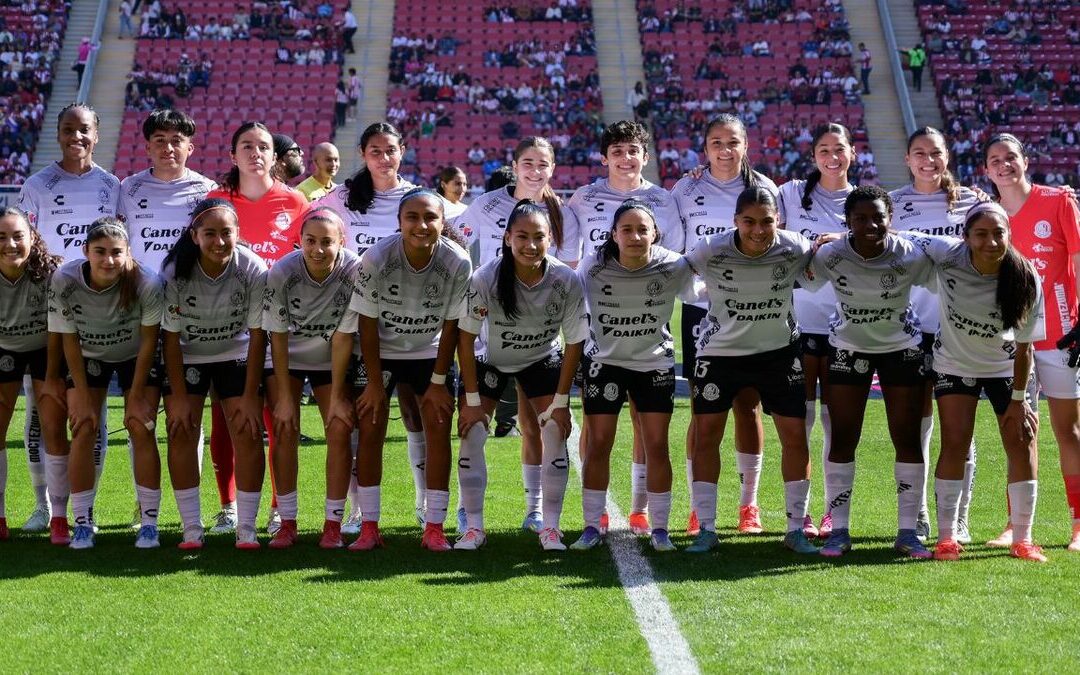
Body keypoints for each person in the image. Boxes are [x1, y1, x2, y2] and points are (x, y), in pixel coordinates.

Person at [330, 187, 471, 551]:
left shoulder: (457, 261)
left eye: (430, 218)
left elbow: (454, 325)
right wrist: (374, 383)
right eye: (412, 217)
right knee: (372, 427)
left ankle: (435, 527)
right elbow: (367, 322)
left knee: (438, 429)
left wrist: (440, 381)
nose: (421, 225)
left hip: (431, 352)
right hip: (381, 351)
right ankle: (370, 528)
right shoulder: (376, 258)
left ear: (443, 222)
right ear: (399, 222)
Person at [907, 202, 1047, 563]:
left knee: (1021, 443)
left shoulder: (1025, 275)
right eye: (981, 234)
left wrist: (1018, 399)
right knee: (954, 443)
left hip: (1007, 370)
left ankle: (1024, 538)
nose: (990, 241)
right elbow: (900, 237)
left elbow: (1025, 347)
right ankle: (947, 538)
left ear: (1009, 234)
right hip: (954, 365)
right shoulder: (947, 255)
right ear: (965, 236)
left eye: (998, 233)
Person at [455, 137, 582, 531]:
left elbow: (568, 268)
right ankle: (467, 512)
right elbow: (455, 238)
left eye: (543, 163)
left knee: (534, 425)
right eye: (528, 162)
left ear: (553, 167)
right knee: (474, 427)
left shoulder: (564, 211)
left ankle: (537, 509)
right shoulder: (487, 204)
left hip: (539, 338)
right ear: (515, 164)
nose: (535, 170)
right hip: (490, 336)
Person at [683, 187, 819, 554]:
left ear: (779, 221)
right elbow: (679, 272)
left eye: (767, 221)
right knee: (707, 435)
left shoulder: (794, 246)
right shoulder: (712, 247)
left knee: (795, 437)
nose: (759, 230)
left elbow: (821, 265)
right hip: (720, 353)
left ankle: (795, 530)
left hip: (778, 354)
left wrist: (835, 240)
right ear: (735, 222)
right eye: (749, 222)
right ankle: (707, 527)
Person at [567, 120, 683, 536]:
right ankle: (593, 516)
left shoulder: (664, 200)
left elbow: (677, 258)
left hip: (650, 331)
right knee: (597, 433)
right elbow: (570, 259)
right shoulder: (582, 198)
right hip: (601, 330)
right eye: (616, 151)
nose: (625, 158)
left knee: (645, 428)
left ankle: (639, 509)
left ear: (645, 156)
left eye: (632, 150)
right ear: (604, 157)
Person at [808, 186, 934, 558]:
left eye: (878, 217)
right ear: (847, 221)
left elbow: (946, 266)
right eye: (860, 218)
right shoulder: (831, 255)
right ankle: (839, 530)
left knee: (907, 439)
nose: (870, 224)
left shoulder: (910, 254)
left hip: (902, 350)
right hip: (848, 348)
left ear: (890, 220)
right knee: (843, 438)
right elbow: (803, 277)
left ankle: (908, 532)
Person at [314, 122, 428, 533]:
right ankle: (358, 510)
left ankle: (423, 503)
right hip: (356, 326)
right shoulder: (339, 200)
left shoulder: (416, 198)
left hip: (410, 326)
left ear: (402, 152)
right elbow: (314, 245)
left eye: (390, 150)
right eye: (375, 151)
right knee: (363, 418)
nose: (384, 158)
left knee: (417, 416)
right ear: (363, 154)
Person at [671, 114, 777, 536]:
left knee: (748, 406)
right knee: (703, 409)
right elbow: (677, 249)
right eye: (716, 142)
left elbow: (775, 245)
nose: (724, 150)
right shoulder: (687, 187)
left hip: (753, 310)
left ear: (745, 145)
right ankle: (700, 507)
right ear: (706, 148)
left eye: (732, 141)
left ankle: (748, 505)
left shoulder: (764, 189)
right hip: (702, 313)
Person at [16, 103, 119, 535]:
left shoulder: (112, 186)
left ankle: (85, 509)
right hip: (47, 315)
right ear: (57, 134)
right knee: (43, 411)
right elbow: (24, 247)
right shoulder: (37, 184)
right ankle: (43, 506)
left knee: (93, 416)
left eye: (84, 131)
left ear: (97, 135)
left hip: (100, 317)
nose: (75, 137)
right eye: (68, 130)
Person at [207, 121, 306, 535]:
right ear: (233, 156)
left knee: (280, 421)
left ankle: (280, 507)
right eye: (246, 146)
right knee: (227, 423)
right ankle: (229, 507)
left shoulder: (296, 201)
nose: (255, 153)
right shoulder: (214, 200)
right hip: (227, 331)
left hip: (281, 332)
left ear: (275, 156)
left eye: (263, 146)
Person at [983, 133, 1080, 552]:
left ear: (1025, 160)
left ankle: (1079, 524)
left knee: (1067, 429)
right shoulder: (987, 214)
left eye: (1011, 157)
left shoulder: (1059, 201)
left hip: (1062, 336)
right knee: (1019, 431)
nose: (1004, 165)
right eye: (995, 160)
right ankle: (1015, 523)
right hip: (1013, 341)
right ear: (985, 170)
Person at [889, 126, 984, 542]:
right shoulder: (892, 204)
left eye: (936, 153)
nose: (928, 160)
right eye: (919, 153)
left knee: (960, 426)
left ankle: (959, 517)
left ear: (948, 156)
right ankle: (922, 512)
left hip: (960, 329)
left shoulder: (973, 202)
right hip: (911, 329)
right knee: (918, 424)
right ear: (907, 159)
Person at [48, 218, 164, 549]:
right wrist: (82, 395)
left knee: (140, 426)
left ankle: (149, 523)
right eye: (100, 252)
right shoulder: (65, 279)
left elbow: (147, 342)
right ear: (85, 251)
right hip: (88, 356)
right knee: (83, 425)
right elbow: (68, 339)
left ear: (129, 252)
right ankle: (82, 522)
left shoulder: (147, 282)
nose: (108, 260)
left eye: (116, 252)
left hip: (135, 358)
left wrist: (137, 395)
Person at [159, 198, 268, 549]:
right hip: (189, 355)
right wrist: (176, 398)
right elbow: (171, 339)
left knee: (248, 430)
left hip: (235, 352)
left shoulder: (252, 267)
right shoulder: (175, 270)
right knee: (180, 430)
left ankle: (246, 528)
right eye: (210, 233)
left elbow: (257, 335)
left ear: (238, 233)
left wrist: (251, 396)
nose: (219, 241)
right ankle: (192, 527)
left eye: (226, 233)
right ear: (194, 236)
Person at [262, 207, 361, 549]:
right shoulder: (283, 271)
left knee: (338, 427)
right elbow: (277, 334)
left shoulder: (355, 269)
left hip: (333, 357)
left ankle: (332, 524)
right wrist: (286, 399)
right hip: (287, 358)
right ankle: (287, 522)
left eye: (326, 242)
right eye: (310, 241)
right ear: (299, 241)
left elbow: (345, 336)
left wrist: (336, 396)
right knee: (284, 428)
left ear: (342, 242)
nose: (318, 249)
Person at [777, 122, 856, 539]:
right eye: (824, 149)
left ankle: (833, 513)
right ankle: (800, 513)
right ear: (813, 157)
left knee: (837, 424)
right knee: (799, 422)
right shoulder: (790, 193)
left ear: (852, 153)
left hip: (847, 327)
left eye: (839, 148)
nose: (832, 156)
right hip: (798, 324)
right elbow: (751, 207)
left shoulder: (863, 202)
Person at [0, 208, 68, 543]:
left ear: (32, 238)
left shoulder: (50, 273)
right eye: (1, 237)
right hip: (4, 350)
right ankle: (0, 516)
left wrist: (53, 374)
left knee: (54, 429)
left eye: (17, 236)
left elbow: (59, 330)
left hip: (46, 348)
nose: (10, 244)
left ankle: (58, 517)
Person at [119, 109, 217, 273]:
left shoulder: (207, 191)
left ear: (190, 148)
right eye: (160, 140)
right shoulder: (128, 188)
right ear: (148, 148)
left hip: (188, 291)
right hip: (142, 291)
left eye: (176, 141)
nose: (168, 148)